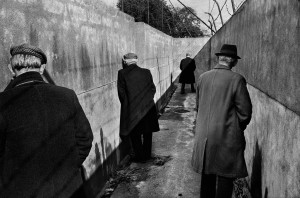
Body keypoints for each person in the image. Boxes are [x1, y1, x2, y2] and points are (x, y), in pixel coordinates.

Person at [0, 44, 93, 198]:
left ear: (11, 68)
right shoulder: (67, 95)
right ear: (42, 68)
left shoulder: (3, 102)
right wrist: (70, 165)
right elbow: (85, 139)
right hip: (69, 189)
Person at [191, 44, 252, 198]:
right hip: (226, 137)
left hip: (203, 136)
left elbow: (198, 107)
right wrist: (238, 128)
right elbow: (245, 112)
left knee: (207, 175)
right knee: (225, 175)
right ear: (233, 61)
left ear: (219, 58)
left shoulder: (203, 77)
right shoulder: (237, 79)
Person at [117, 53, 159, 162]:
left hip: (132, 109)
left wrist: (128, 105)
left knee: (135, 134)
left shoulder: (122, 73)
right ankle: (147, 155)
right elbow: (152, 89)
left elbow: (121, 93)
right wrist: (147, 101)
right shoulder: (146, 72)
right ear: (136, 60)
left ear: (125, 61)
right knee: (148, 132)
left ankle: (140, 157)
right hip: (148, 107)